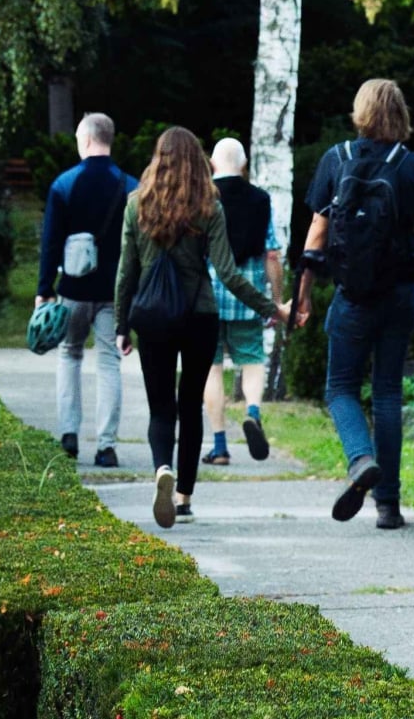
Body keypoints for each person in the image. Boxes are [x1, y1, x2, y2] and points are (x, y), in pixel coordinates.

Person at [296, 78, 414, 529]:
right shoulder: (410, 167)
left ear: (359, 111)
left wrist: (303, 295)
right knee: (387, 392)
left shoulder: (336, 159)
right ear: (401, 114)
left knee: (340, 388)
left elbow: (317, 234)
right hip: (399, 295)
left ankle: (360, 458)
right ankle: (389, 505)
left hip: (352, 295)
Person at [115, 127, 288, 528]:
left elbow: (127, 273)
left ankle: (162, 468)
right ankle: (184, 498)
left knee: (161, 408)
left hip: (152, 319)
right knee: (189, 406)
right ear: (198, 162)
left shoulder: (136, 204)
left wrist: (122, 325)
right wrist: (272, 308)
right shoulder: (209, 205)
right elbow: (227, 273)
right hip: (199, 317)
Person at [36, 112, 138, 467]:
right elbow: (138, 246)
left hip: (73, 290)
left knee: (70, 355)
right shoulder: (130, 187)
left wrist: (44, 289)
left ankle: (68, 436)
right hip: (115, 293)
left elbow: (50, 243)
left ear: (86, 139)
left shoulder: (64, 185)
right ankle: (106, 446)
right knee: (109, 362)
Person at [200, 138, 282, 465]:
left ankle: (219, 445)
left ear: (213, 164)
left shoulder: (203, 198)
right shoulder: (261, 199)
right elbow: (272, 254)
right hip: (247, 298)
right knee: (251, 360)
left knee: (212, 368)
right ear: (244, 164)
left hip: (206, 298)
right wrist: (274, 301)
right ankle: (252, 411)